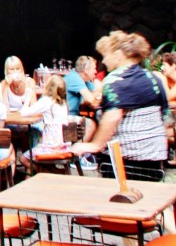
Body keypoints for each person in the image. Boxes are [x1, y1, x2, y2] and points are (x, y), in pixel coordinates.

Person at [71, 30, 169, 178]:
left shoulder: (116, 80)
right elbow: (165, 116)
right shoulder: (154, 78)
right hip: (155, 159)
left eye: (105, 56)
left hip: (125, 162)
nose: (103, 61)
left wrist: (94, 145)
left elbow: (113, 116)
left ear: (117, 55)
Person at [18, 74, 69, 171]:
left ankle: (48, 173)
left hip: (50, 147)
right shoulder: (63, 103)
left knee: (23, 159)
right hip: (62, 146)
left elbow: (23, 113)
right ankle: (51, 172)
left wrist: (28, 97)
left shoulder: (47, 101)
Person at [64, 55, 101, 141]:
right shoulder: (74, 77)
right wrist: (100, 90)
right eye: (94, 68)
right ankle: (78, 148)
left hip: (72, 115)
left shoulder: (84, 80)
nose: (96, 71)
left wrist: (97, 93)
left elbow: (97, 94)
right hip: (64, 117)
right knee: (91, 125)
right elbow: (90, 99)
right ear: (86, 70)